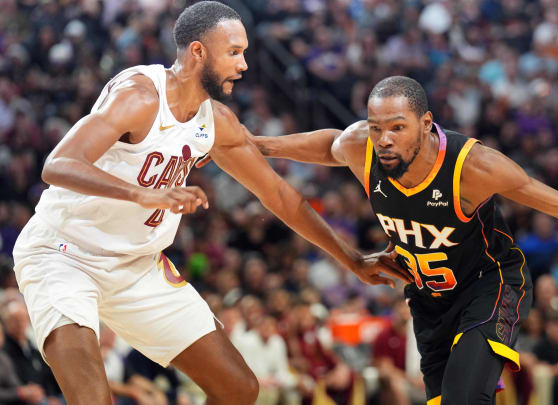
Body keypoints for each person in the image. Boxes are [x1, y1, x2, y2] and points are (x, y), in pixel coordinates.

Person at [200, 75, 558, 404]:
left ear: (426, 124)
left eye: (397, 127)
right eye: (377, 128)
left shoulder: (474, 168)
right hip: (428, 300)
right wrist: (257, 144)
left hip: (490, 285)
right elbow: (332, 145)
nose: (385, 139)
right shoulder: (365, 149)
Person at [11, 3, 410, 405]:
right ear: (198, 52)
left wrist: (353, 260)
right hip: (64, 255)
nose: (244, 64)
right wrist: (143, 194)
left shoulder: (214, 121)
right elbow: (58, 164)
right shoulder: (140, 96)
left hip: (135, 267)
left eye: (245, 52)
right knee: (92, 399)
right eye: (234, 52)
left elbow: (281, 197)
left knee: (239, 388)